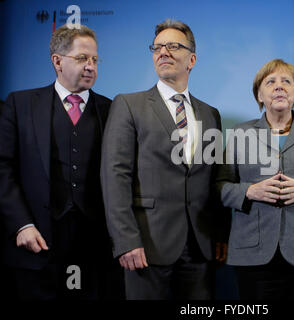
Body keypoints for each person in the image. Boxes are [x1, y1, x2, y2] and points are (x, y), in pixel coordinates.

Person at [101, 18, 227, 300]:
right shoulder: (128, 105)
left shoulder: (210, 114)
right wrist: (125, 240)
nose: (163, 52)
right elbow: (115, 175)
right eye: (157, 47)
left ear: (191, 59)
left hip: (200, 248)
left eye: (173, 46)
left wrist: (220, 234)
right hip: (145, 246)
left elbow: (214, 178)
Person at [0, 25, 122, 299]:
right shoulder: (20, 104)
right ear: (57, 61)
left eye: (94, 59)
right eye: (82, 58)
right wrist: (22, 224)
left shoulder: (112, 108)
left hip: (95, 248)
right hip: (36, 244)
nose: (90, 66)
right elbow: (2, 168)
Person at [216, 59, 294, 300]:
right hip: (253, 254)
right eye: (270, 82)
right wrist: (249, 192)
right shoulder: (240, 133)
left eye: (287, 81)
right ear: (259, 95)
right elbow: (220, 187)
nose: (279, 86)